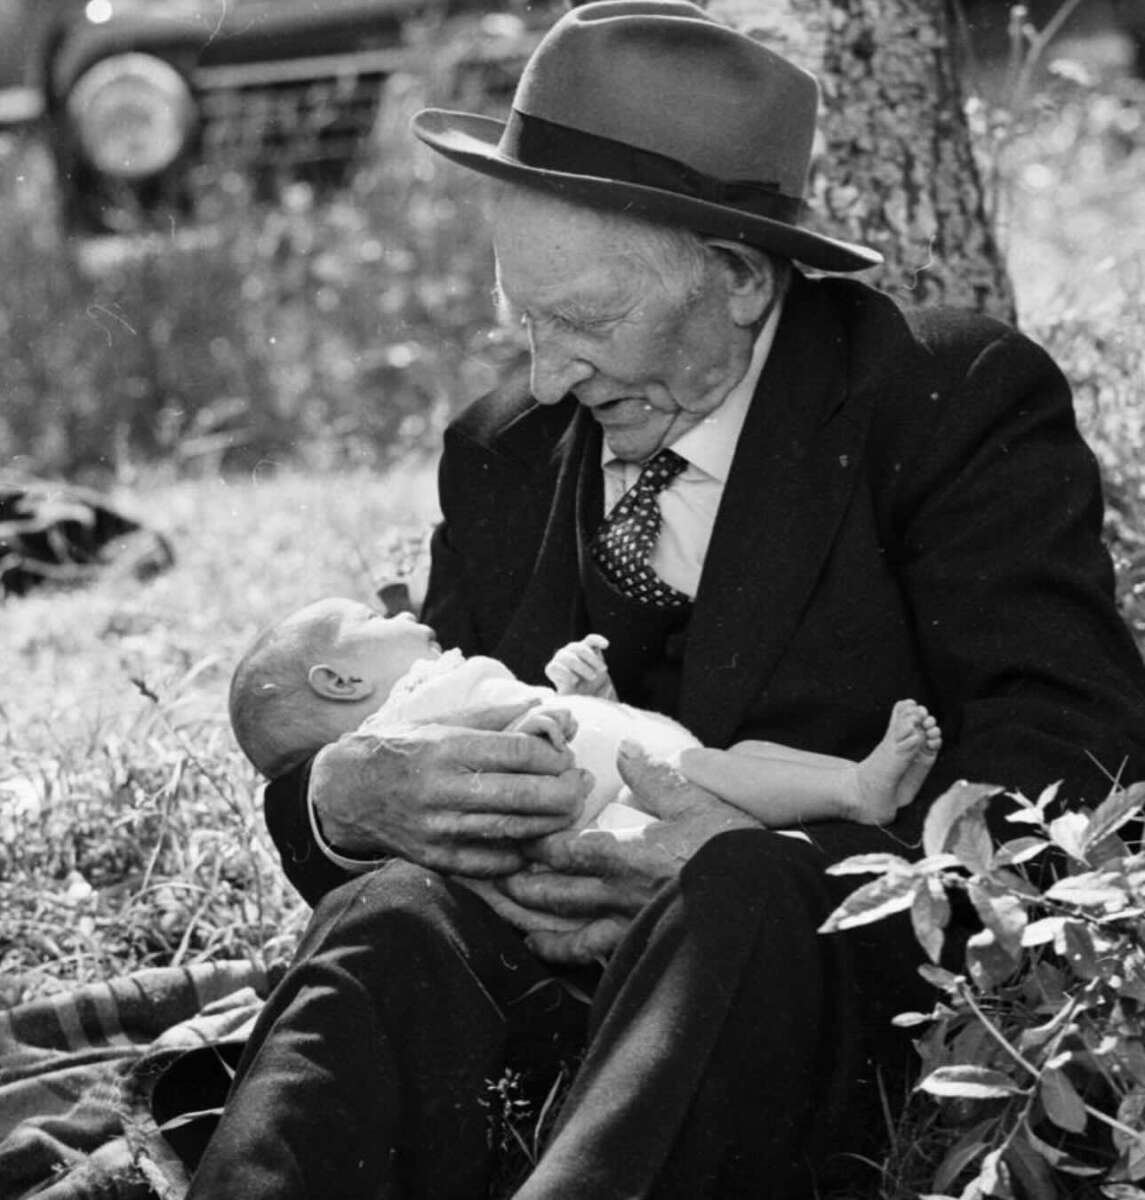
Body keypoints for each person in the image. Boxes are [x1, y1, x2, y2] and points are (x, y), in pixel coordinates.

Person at [182, 3, 1145, 1198]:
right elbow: (415, 743)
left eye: (580, 322)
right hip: (542, 994)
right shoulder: (503, 450)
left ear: (739, 277)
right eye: (520, 322)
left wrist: (785, 858)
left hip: (796, 998)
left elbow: (1067, 757)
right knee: (388, 910)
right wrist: (343, 799)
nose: (545, 375)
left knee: (735, 892)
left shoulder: (942, 400)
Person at [228, 595, 943, 835]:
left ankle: (858, 780)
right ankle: (856, 790)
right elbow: (477, 752)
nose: (406, 611)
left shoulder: (432, 690)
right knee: (715, 767)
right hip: (625, 801)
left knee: (741, 753)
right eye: (374, 616)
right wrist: (535, 729)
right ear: (341, 679)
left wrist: (589, 699)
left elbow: (544, 719)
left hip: (626, 763)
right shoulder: (405, 722)